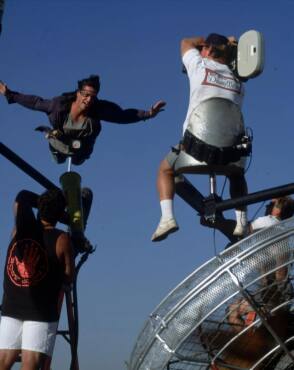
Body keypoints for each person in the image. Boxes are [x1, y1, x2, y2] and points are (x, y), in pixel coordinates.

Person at [151, 33, 247, 242]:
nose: (200, 51)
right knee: (237, 175)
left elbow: (184, 41)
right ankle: (241, 220)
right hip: (229, 155)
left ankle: (167, 218)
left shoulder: (200, 67)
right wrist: (229, 47)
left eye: (203, 48)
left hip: (195, 150)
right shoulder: (239, 83)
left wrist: (207, 41)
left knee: (165, 170)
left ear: (209, 50)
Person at [0, 75, 166, 165]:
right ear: (78, 93)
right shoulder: (58, 106)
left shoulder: (97, 110)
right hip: (61, 139)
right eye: (86, 95)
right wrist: (10, 94)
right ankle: (54, 141)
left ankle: (76, 152)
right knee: (59, 159)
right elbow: (35, 102)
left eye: (92, 97)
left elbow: (121, 116)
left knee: (78, 159)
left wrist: (148, 114)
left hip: (82, 147)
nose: (88, 100)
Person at [0, 188, 75, 370]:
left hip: (11, 308)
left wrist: (41, 201)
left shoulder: (18, 230)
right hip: (40, 313)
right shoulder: (62, 239)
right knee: (30, 365)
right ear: (59, 215)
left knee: (2, 361)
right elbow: (69, 276)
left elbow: (21, 198)